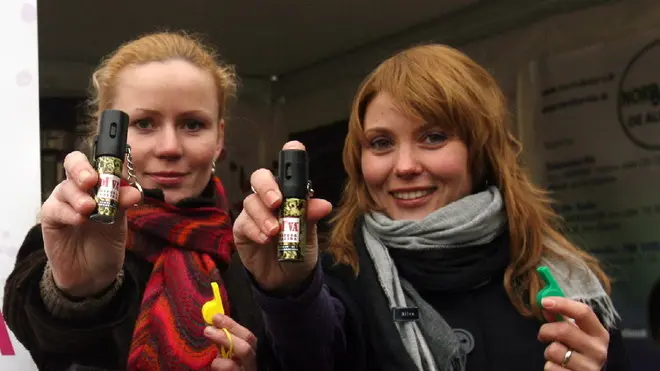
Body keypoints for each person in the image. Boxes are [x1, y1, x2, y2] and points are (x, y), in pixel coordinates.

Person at [233, 44, 631, 370]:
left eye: (434, 137)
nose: (405, 166)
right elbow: (312, 357)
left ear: (480, 152)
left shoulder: (555, 275)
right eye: (381, 143)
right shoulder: (336, 277)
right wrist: (290, 292)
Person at [3, 31, 262, 371]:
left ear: (219, 138)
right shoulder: (70, 233)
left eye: (193, 124)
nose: (169, 146)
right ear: (105, 134)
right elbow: (37, 332)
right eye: (144, 123)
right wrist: (74, 293)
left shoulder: (254, 248)